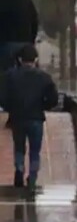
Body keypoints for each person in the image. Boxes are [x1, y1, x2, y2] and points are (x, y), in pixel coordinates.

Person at [0, 45, 59, 190]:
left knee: (19, 147)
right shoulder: (44, 78)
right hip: (36, 118)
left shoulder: (10, 76)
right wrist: (43, 106)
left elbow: (2, 97)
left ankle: (19, 169)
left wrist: (10, 108)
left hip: (18, 118)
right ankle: (32, 177)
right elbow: (53, 99)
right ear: (36, 59)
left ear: (20, 59)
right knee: (35, 150)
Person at [0, 0, 38, 71]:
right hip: (25, 45)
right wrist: (31, 42)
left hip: (5, 46)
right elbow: (35, 21)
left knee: (5, 74)